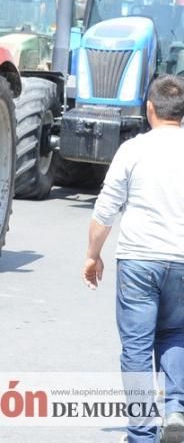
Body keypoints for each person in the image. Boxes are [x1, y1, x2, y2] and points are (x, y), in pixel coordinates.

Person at [83, 75, 184, 443]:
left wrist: (93, 256)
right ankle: (176, 410)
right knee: (176, 334)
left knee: (137, 348)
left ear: (150, 109)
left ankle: (142, 433)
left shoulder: (133, 150)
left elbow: (105, 211)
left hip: (140, 260)